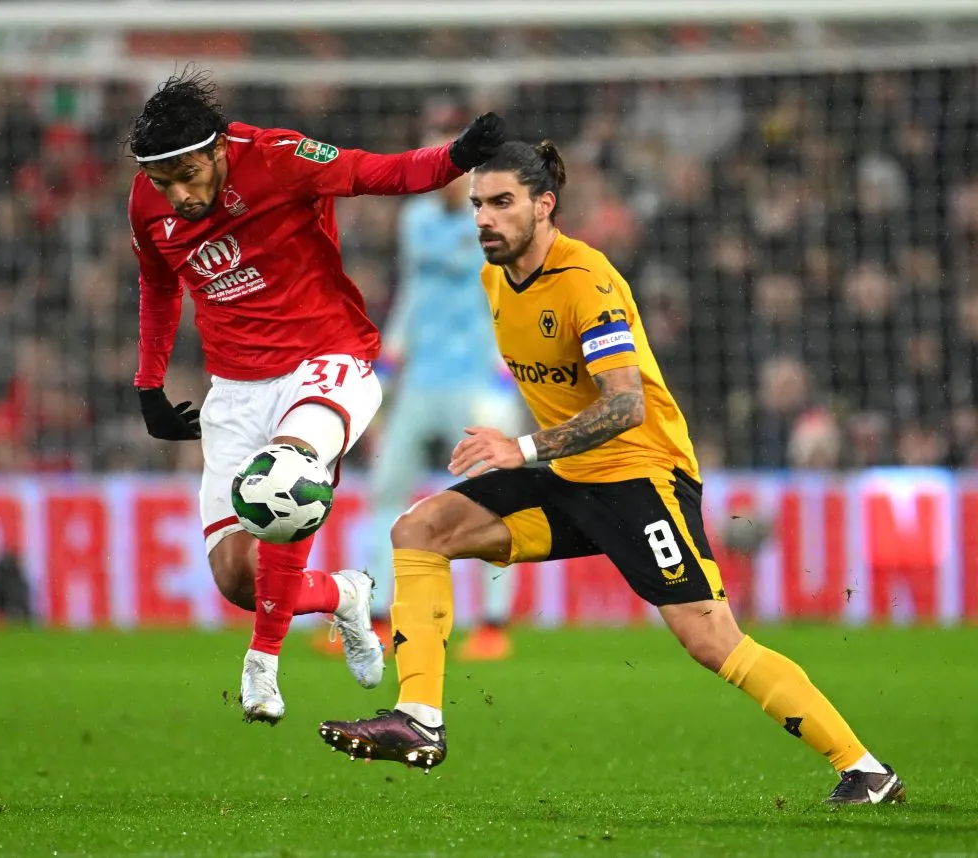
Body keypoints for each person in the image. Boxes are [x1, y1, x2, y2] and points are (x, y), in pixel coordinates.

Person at [317, 141, 905, 806]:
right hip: (564, 475)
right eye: (478, 203)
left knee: (711, 640)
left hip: (639, 476)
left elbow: (626, 404)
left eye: (502, 203)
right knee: (420, 529)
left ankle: (865, 769)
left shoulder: (586, 283)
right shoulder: (493, 278)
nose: (484, 218)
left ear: (545, 206)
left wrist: (525, 448)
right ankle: (419, 718)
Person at [126, 68, 505, 726]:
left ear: (219, 150)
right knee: (234, 579)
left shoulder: (279, 158)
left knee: (283, 481)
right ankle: (347, 593)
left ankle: (262, 664)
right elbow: (159, 286)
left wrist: (456, 158)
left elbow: (374, 172)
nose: (179, 195)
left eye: (189, 175)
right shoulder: (147, 202)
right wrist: (150, 382)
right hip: (235, 391)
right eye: (165, 182)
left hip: (325, 364)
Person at [365, 125, 525, 661]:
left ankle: (493, 624)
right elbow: (418, 287)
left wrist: (508, 370)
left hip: (478, 381)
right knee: (386, 491)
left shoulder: (492, 221)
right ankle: (380, 619)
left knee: (496, 498)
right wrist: (389, 361)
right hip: (420, 382)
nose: (448, 175)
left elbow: (504, 287)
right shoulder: (416, 221)